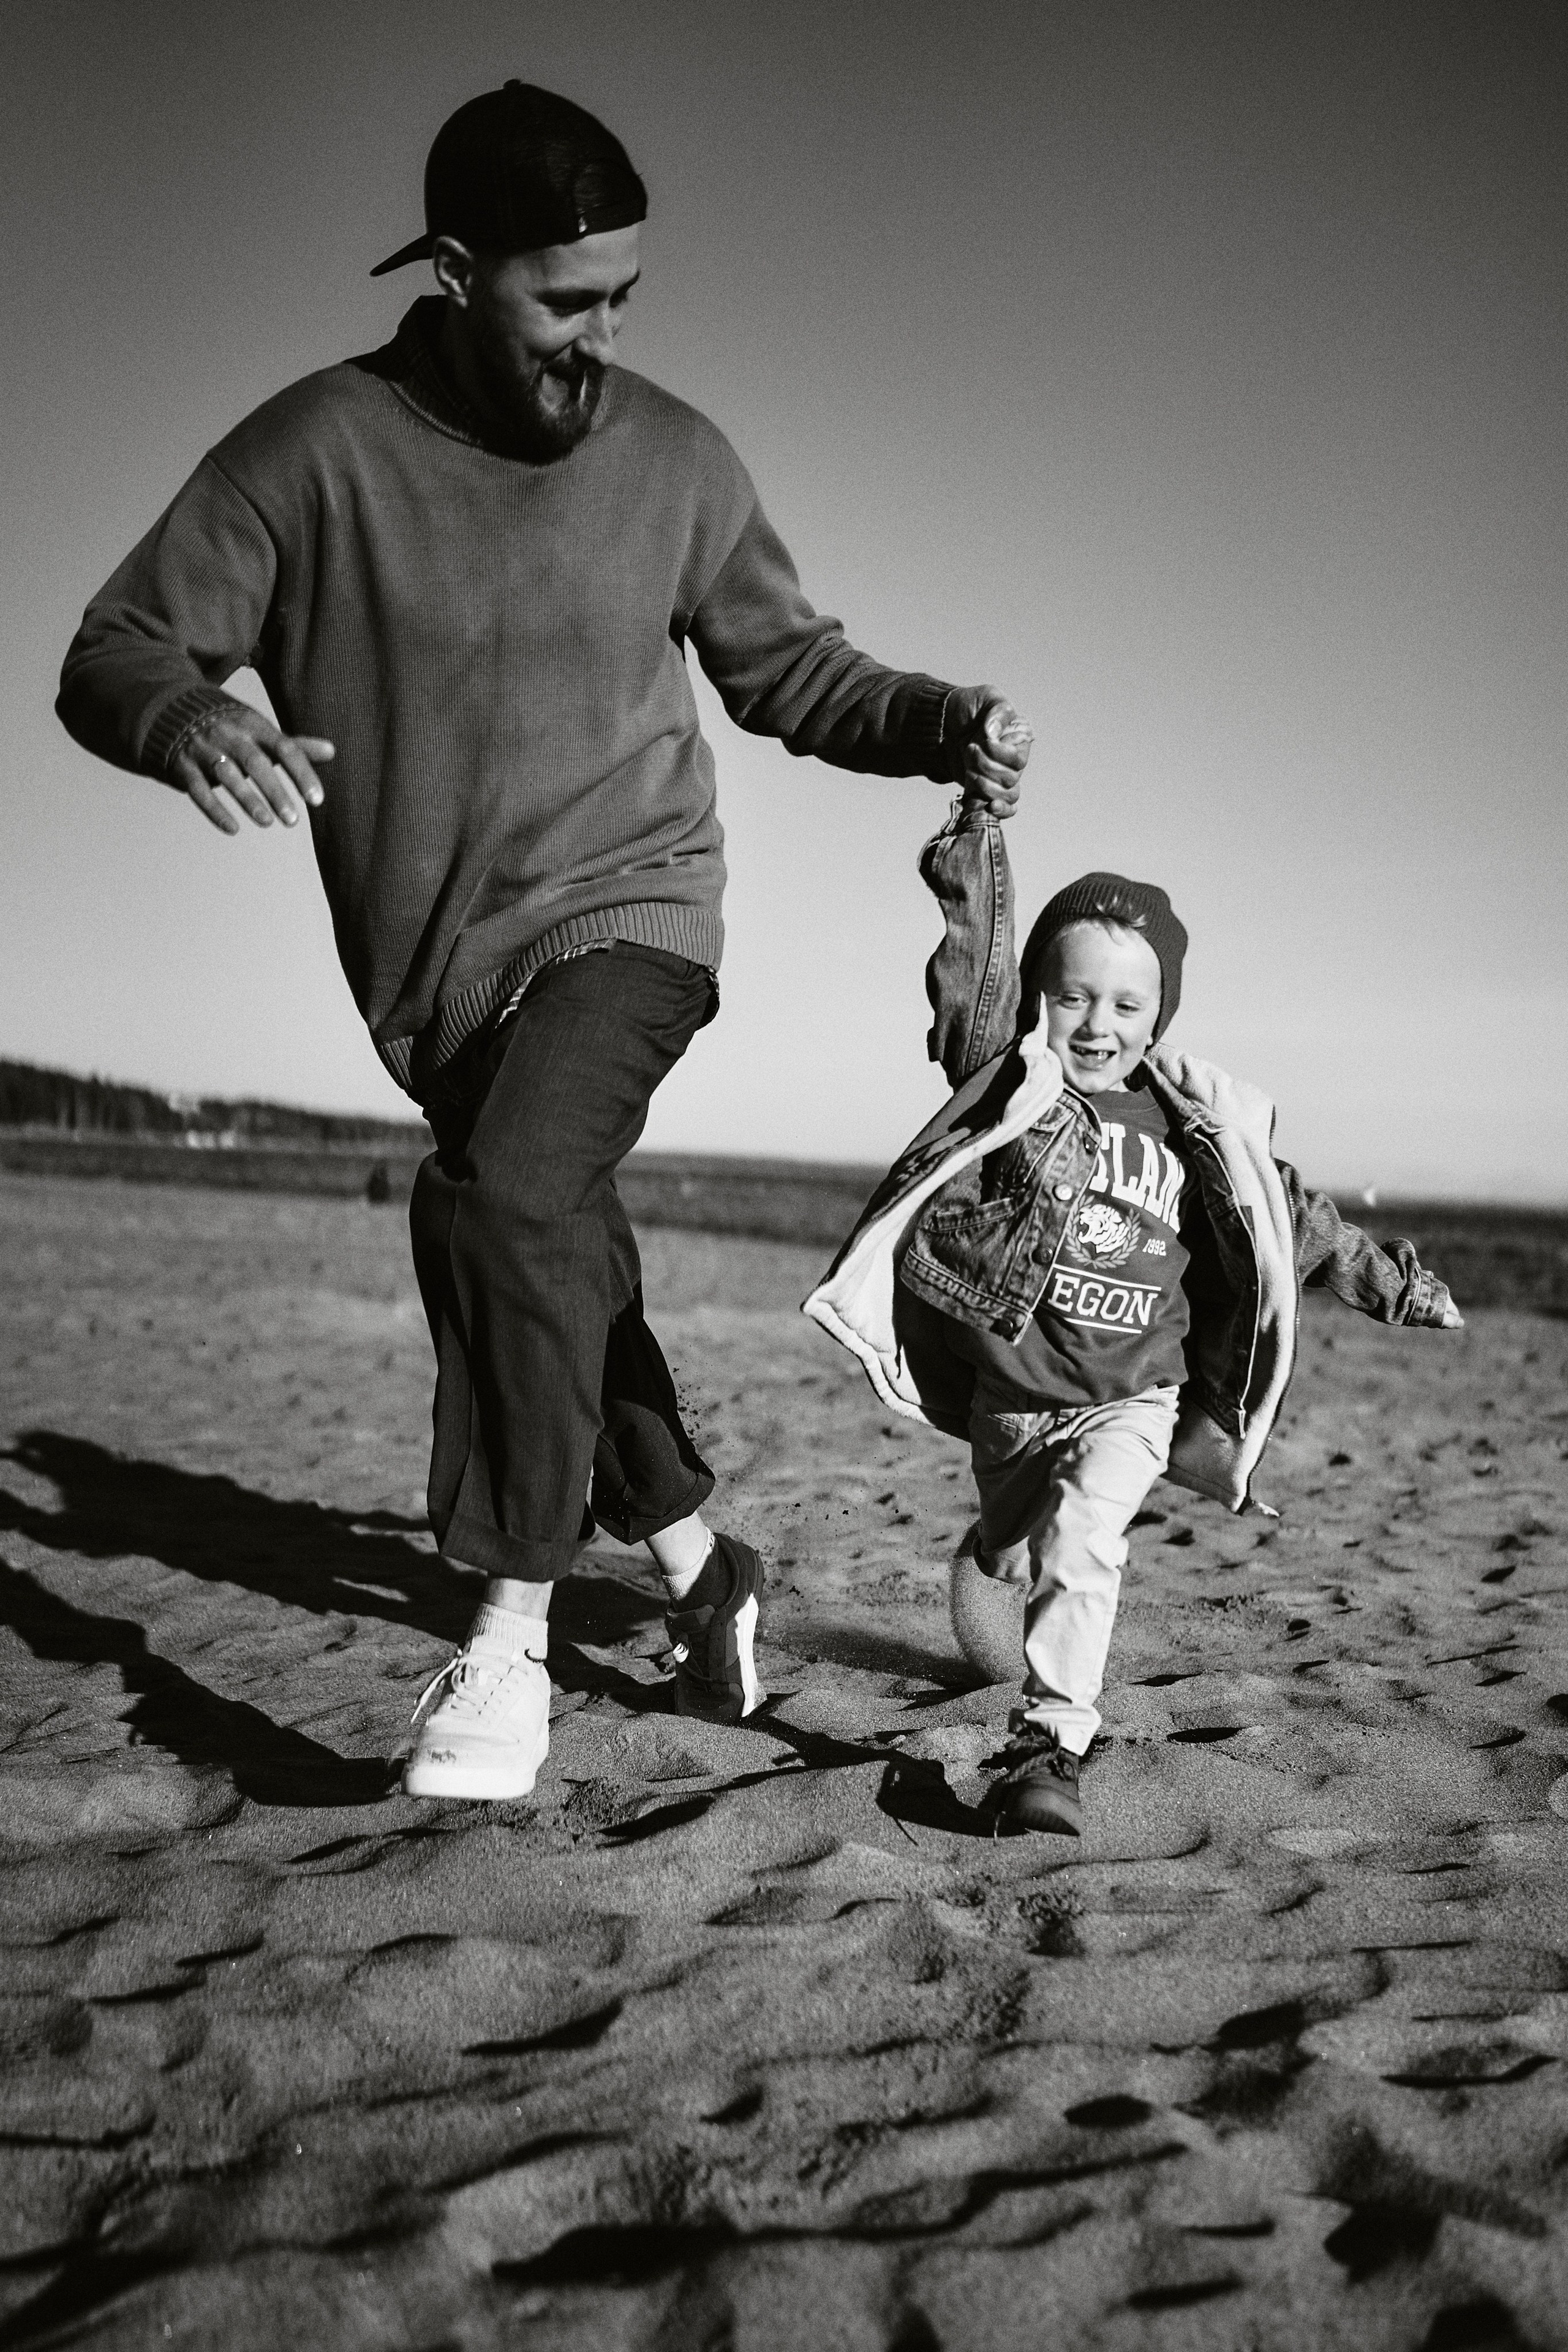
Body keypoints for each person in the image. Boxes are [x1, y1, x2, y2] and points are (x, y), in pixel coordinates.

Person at [55, 81, 1032, 1804]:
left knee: (503, 1209)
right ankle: (695, 1560)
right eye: (564, 301)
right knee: (551, 1246)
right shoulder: (311, 454)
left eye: (625, 302)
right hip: (433, 976)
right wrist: (181, 715)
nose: (601, 341)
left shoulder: (675, 457)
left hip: (635, 910)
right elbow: (119, 642)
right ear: (452, 269)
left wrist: (936, 716)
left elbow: (791, 668)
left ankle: (502, 1646)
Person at [804, 797, 1461, 1836]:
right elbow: (971, 972)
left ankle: (1050, 1744)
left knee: (1089, 1534)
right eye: (1074, 1000)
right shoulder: (1007, 1086)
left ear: (1159, 1018)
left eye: (1124, 1006)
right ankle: (994, 1555)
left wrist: (1393, 1287)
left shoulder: (1194, 1131)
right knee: (1022, 1543)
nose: (1097, 1026)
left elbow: (1295, 1219)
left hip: (1135, 1399)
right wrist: (977, 832)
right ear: (1041, 1001)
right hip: (1011, 1406)